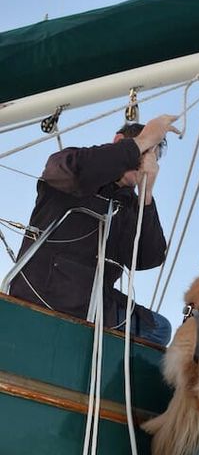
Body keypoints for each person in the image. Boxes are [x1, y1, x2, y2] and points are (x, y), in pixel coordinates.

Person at [10, 115, 180, 346]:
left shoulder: (130, 205)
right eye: (144, 151)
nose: (143, 164)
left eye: (152, 159)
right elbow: (73, 172)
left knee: (159, 329)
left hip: (96, 303)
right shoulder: (74, 163)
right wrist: (143, 140)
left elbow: (147, 258)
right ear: (119, 141)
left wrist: (146, 194)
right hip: (44, 290)